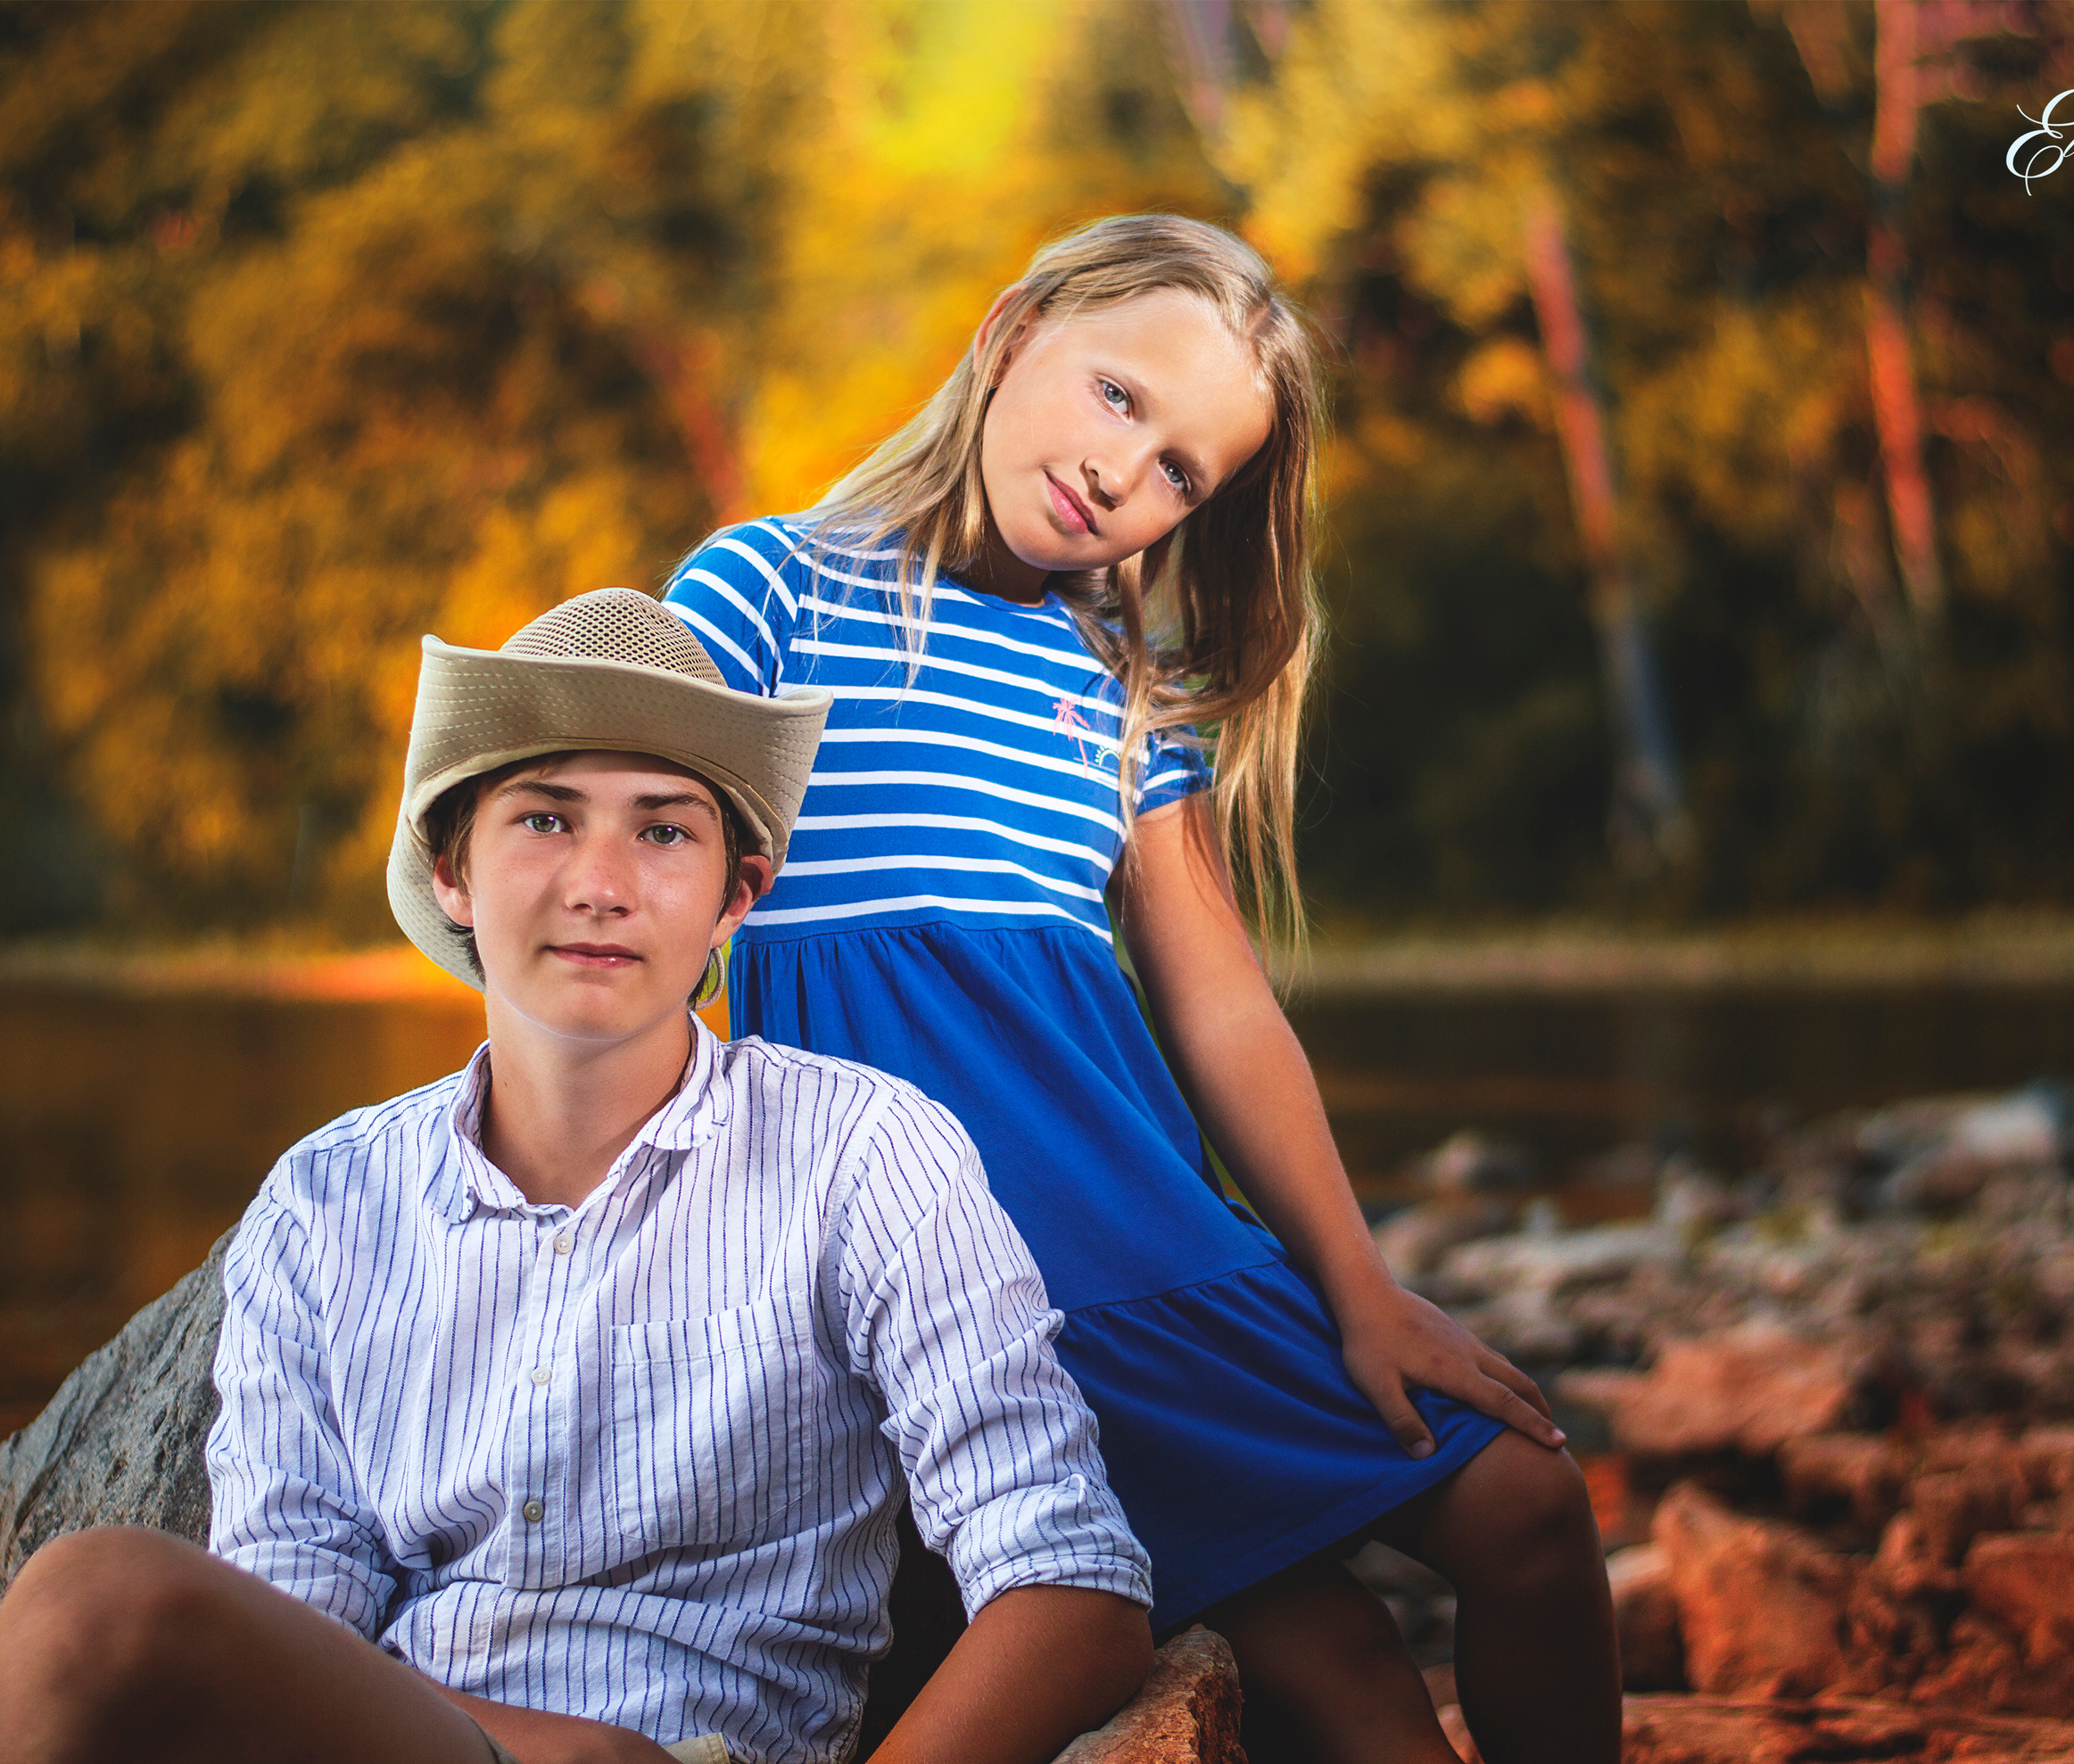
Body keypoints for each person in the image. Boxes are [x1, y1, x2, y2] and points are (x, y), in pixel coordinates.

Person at [661, 214, 1620, 1764]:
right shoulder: (775, 587)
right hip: (955, 1294)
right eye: (1120, 397)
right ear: (1012, 332)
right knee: (1347, 1679)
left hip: (1147, 1242)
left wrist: (1357, 1287)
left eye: (1181, 469)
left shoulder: (1113, 687)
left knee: (1526, 1504)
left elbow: (1222, 1002)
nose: (1126, 473)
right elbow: (631, 881)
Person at [0, 590, 1154, 1764]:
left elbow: (1074, 1585)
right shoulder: (323, 1202)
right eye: (546, 819)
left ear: (734, 897)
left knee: (88, 1597)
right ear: (453, 870)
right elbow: (292, 1634)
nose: (602, 883)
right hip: (416, 1742)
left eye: (662, 832)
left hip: (697, 1749)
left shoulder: (858, 1154)